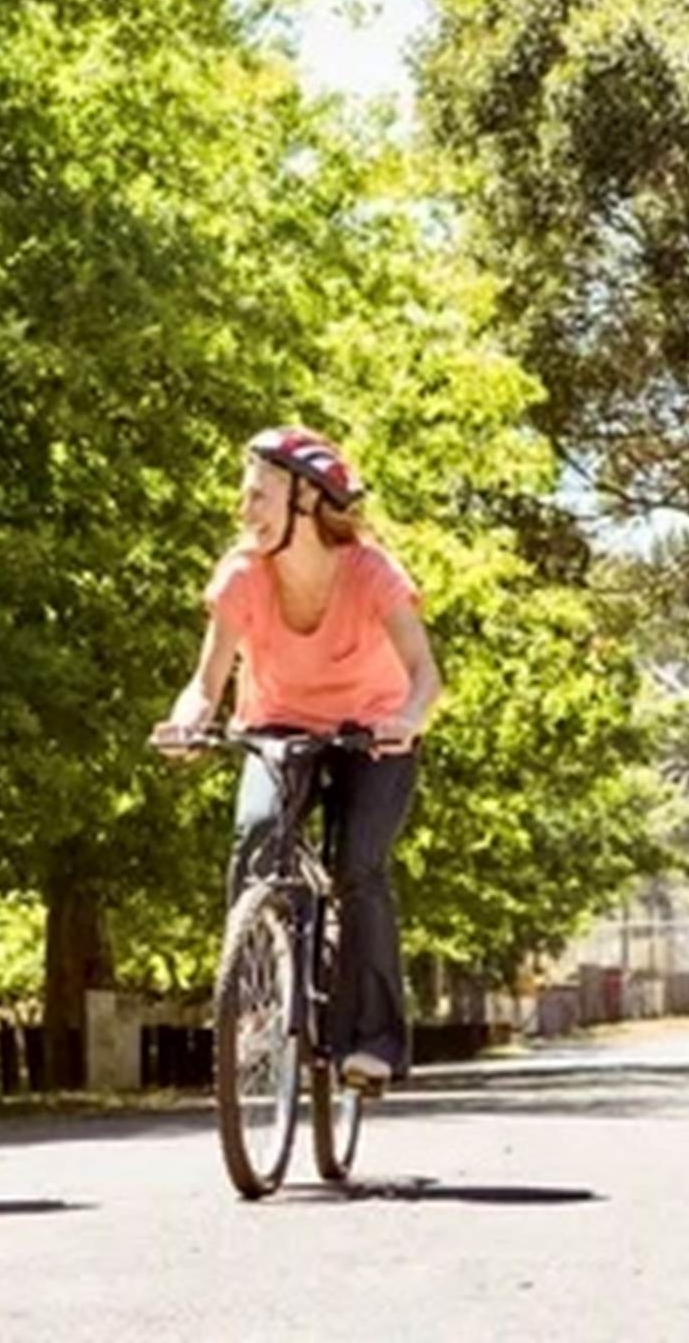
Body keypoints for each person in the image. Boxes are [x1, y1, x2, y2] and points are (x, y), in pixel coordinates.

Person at [152, 427, 441, 1086]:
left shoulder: (371, 573)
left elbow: (425, 673)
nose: (244, 510)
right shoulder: (241, 575)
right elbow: (206, 684)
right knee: (257, 832)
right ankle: (258, 999)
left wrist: (408, 720)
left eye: (259, 496)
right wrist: (186, 723)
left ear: (306, 500)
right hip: (277, 724)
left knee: (358, 866)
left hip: (373, 730)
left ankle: (372, 1041)